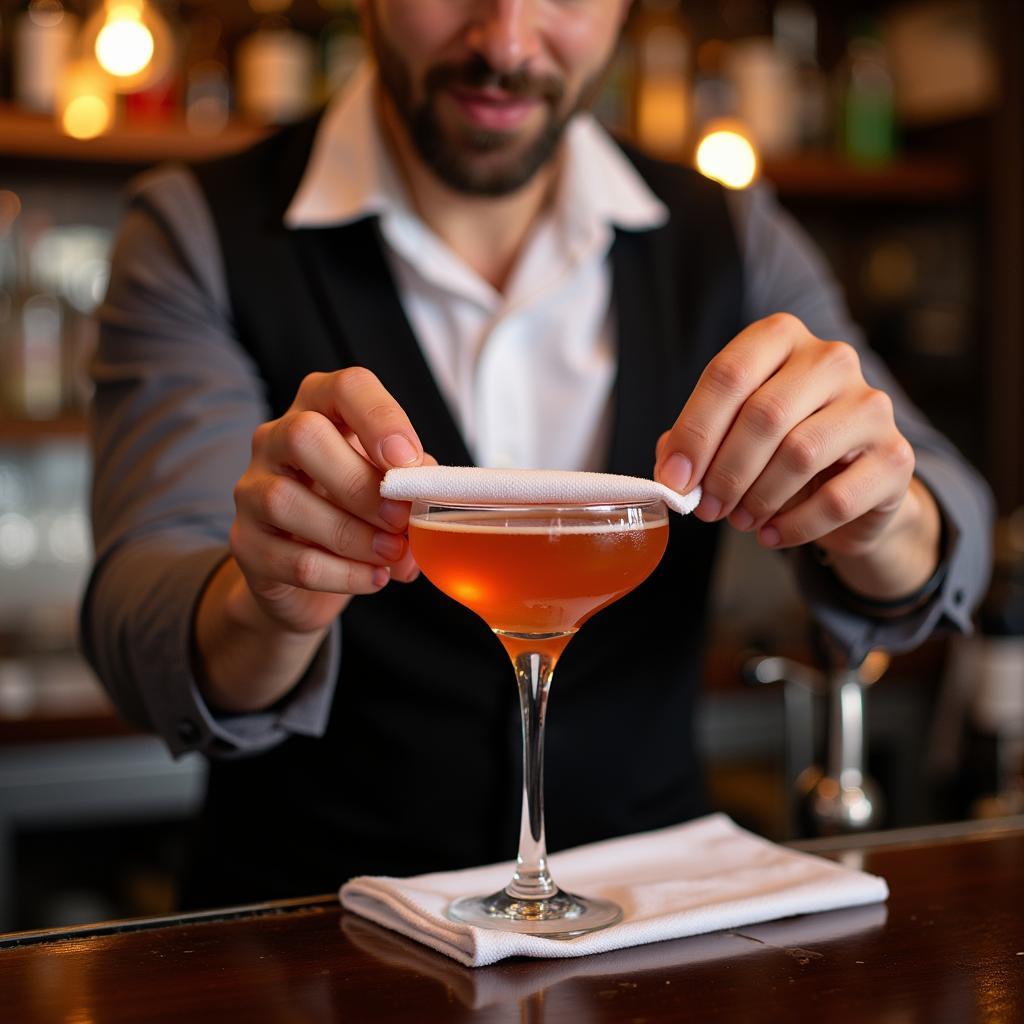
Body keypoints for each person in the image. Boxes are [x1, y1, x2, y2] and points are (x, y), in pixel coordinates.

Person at [82, 1, 993, 909]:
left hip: (651, 934)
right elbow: (138, 613)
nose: (507, 43)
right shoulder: (197, 230)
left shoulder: (730, 235)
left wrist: (883, 515)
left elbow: (951, 517)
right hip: (311, 935)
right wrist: (264, 607)